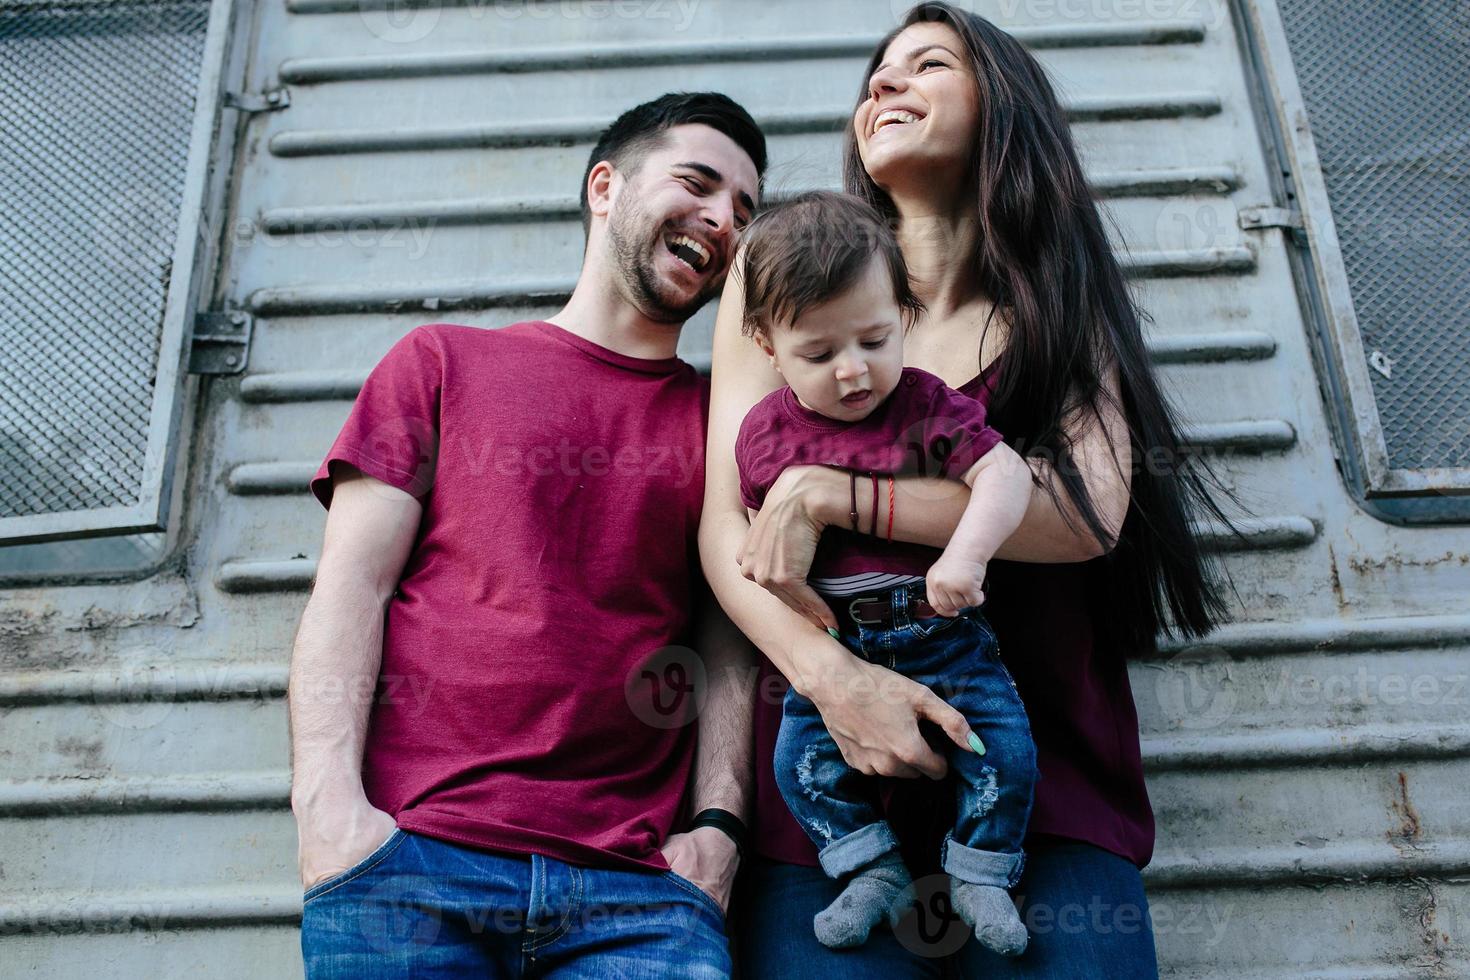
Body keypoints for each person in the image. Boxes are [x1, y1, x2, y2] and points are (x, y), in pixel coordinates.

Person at [700, 4, 1230, 977]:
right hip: (829, 789)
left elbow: (1083, 513)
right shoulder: (781, 269)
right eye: (876, 74)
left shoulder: (1051, 292)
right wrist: (836, 683)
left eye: (926, 64)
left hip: (1042, 784)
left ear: (1003, 107)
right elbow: (725, 527)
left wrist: (831, 494)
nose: (883, 86)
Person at [289, 92, 765, 978]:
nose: (722, 219)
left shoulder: (725, 426)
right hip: (411, 869)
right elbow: (353, 589)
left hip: (638, 897)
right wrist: (329, 812)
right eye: (698, 184)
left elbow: (730, 635)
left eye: (744, 209)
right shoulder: (440, 364)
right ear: (603, 187)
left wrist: (719, 829)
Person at [732, 191, 1035, 955]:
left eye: (873, 339)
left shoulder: (925, 407)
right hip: (842, 645)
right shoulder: (763, 436)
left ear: (903, 314)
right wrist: (777, 587)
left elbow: (1006, 475)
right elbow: (754, 539)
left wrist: (965, 555)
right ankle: (871, 868)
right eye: (819, 353)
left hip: (939, 632)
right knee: (797, 767)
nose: (853, 370)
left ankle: (981, 870)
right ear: (768, 347)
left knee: (1001, 747)